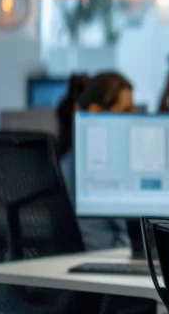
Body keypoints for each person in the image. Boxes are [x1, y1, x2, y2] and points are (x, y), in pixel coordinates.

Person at [56, 72, 133, 251]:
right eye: (126, 111)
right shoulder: (94, 165)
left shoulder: (70, 159)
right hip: (103, 258)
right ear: (96, 112)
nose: (132, 119)